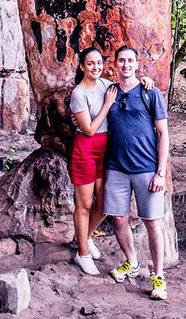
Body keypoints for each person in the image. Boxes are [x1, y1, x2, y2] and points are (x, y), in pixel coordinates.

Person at [68, 48, 156, 276]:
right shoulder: (79, 93)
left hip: (106, 148)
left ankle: (83, 239)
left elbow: (130, 84)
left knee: (106, 205)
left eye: (99, 63)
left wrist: (146, 79)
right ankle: (83, 253)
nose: (95, 67)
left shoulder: (107, 85)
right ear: (82, 67)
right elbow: (88, 130)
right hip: (85, 148)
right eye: (90, 64)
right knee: (85, 205)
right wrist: (107, 105)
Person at [103, 45, 170, 301]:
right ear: (115, 64)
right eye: (121, 61)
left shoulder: (149, 92)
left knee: (152, 222)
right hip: (116, 166)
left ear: (137, 63)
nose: (126, 65)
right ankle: (132, 262)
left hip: (146, 168)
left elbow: (163, 133)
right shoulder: (109, 91)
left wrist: (160, 172)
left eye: (130, 61)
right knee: (119, 219)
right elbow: (90, 106)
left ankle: (159, 276)